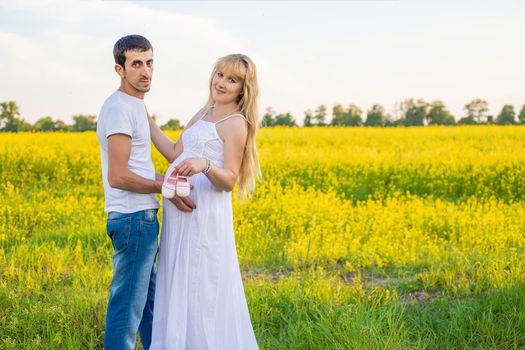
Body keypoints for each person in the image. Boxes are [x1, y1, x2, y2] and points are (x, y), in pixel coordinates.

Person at [149, 54, 261, 349]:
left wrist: (205, 165)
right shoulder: (202, 113)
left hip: (205, 216)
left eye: (232, 79)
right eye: (219, 74)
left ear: (243, 88)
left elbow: (229, 180)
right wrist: (145, 120)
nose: (221, 83)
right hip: (180, 215)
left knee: (202, 285)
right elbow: (175, 152)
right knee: (178, 280)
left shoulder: (236, 123)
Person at [96, 34, 195, 350]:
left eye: (150, 62)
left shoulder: (136, 106)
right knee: (126, 308)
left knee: (151, 308)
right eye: (136, 63)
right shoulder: (119, 109)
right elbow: (119, 176)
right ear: (119, 69)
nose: (145, 71)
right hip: (132, 218)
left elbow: (153, 160)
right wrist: (163, 186)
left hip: (141, 217)